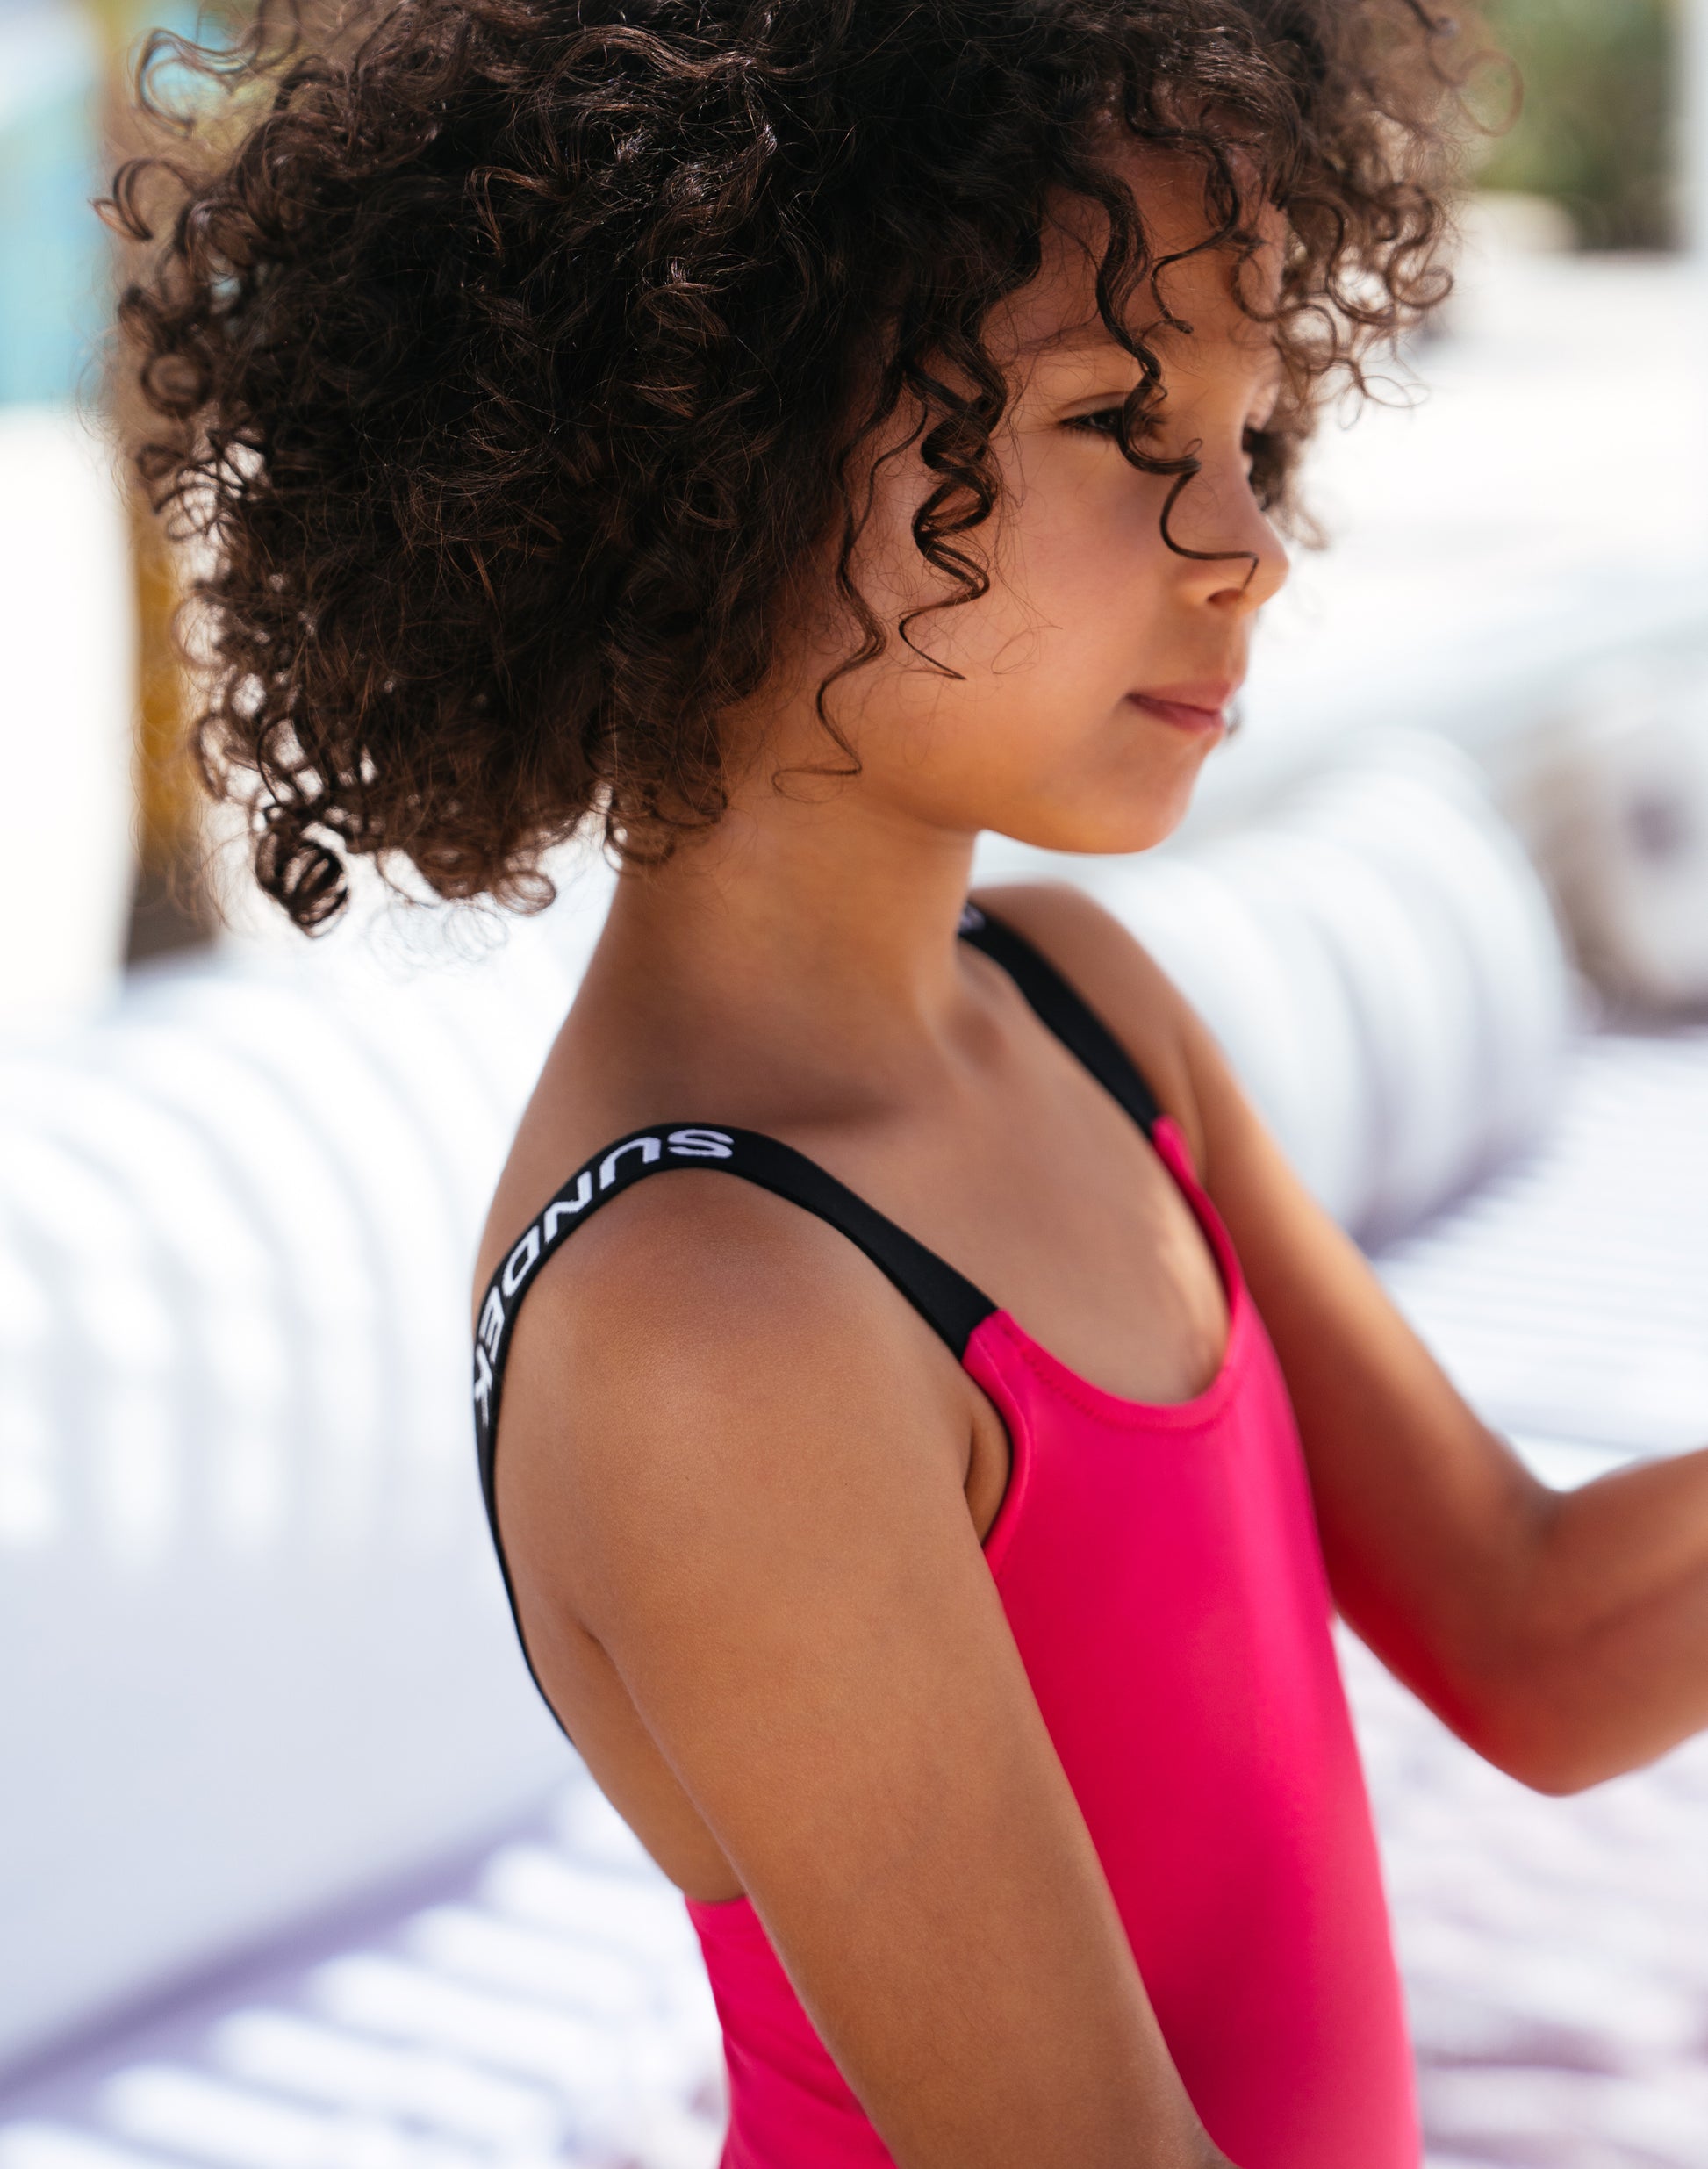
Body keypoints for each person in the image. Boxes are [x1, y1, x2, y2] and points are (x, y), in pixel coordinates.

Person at [107, 2, 1708, 2163]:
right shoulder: (711, 1319)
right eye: (1121, 418)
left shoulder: (1082, 1006)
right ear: (714, 445)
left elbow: (1537, 1637)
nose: (1247, 543)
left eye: (1251, 436)